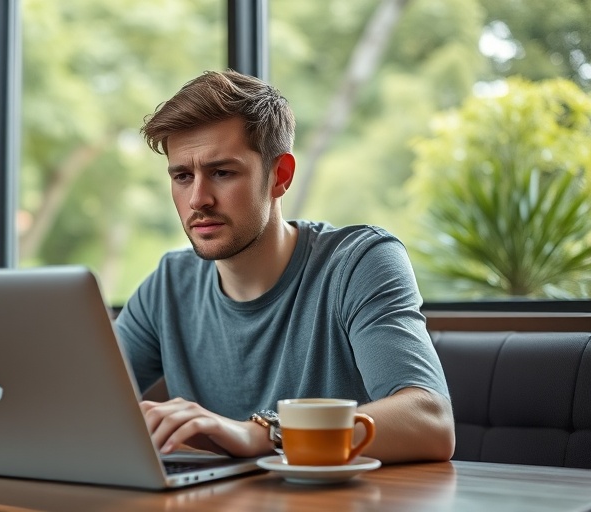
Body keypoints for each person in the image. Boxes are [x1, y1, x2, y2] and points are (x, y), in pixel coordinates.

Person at [114, 69, 455, 464]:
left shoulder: (359, 262)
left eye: (222, 172)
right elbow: (83, 402)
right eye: (182, 176)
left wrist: (264, 434)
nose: (197, 199)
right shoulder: (169, 285)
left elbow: (431, 421)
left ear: (281, 175)